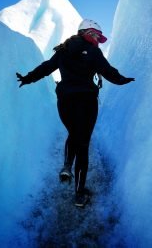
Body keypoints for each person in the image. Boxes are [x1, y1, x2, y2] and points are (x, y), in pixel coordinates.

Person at [16, 19, 135, 208]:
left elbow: (47, 67)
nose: (97, 39)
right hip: (86, 102)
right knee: (83, 144)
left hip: (65, 102)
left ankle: (66, 166)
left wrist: (28, 78)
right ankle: (79, 194)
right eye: (96, 35)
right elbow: (108, 71)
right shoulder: (94, 51)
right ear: (86, 32)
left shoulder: (62, 50)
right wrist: (122, 80)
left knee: (74, 134)